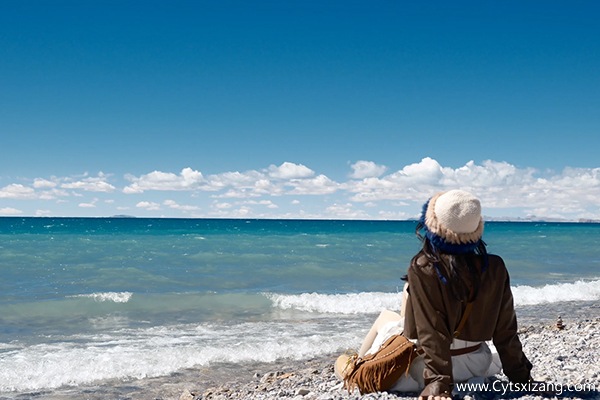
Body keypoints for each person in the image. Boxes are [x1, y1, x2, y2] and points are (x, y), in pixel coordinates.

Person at [335, 189, 533, 399]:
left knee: (345, 364)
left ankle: (355, 363)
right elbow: (506, 331)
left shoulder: (424, 268)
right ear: (476, 231)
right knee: (391, 313)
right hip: (476, 363)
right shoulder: (495, 267)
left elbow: (432, 332)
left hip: (426, 370)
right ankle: (361, 357)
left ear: (431, 226)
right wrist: (522, 379)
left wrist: (438, 382)